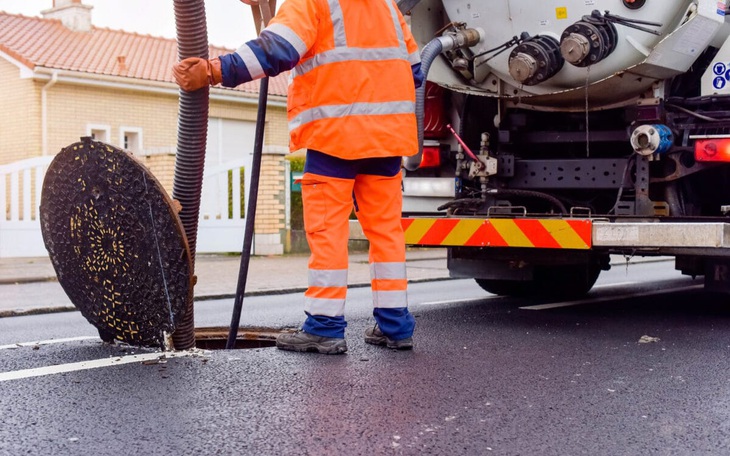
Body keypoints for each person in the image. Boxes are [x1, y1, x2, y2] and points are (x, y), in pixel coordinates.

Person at [173, 0, 424, 354]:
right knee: (386, 233)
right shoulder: (386, 7)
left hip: (335, 137)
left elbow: (278, 49)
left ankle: (324, 327)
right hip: (388, 140)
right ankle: (396, 327)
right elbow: (414, 70)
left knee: (328, 232)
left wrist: (215, 71)